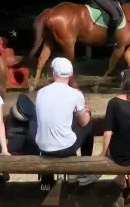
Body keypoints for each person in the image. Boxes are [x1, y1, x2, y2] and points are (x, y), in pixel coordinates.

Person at [35, 57, 99, 187]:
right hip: (64, 149)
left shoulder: (41, 92)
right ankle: (84, 169)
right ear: (71, 74)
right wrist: (84, 112)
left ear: (53, 73)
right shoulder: (75, 94)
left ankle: (50, 177)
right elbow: (83, 122)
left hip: (43, 147)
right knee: (89, 122)